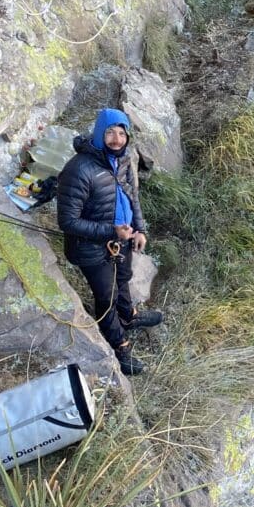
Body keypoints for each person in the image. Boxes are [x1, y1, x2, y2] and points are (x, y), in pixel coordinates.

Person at [57, 108, 162, 375]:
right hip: (91, 249)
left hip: (122, 240)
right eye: (110, 133)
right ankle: (119, 344)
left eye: (121, 133)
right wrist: (111, 232)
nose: (117, 139)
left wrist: (139, 229)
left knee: (123, 277)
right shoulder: (78, 170)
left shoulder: (123, 159)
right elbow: (68, 222)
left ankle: (128, 316)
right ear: (98, 134)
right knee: (107, 297)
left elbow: (132, 197)